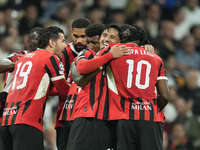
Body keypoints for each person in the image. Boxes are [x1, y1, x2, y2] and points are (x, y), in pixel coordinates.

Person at [74, 25, 169, 150]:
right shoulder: (156, 58)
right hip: (150, 117)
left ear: (123, 38)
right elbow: (165, 96)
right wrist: (153, 109)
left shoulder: (113, 50)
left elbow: (82, 69)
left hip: (123, 117)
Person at [0, 26, 69, 150]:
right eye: (63, 41)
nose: (65, 46)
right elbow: (64, 92)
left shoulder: (21, 59)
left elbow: (37, 88)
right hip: (27, 120)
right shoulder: (51, 58)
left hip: (6, 120)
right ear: (52, 42)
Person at [55, 17, 91, 150]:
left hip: (87, 115)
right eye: (75, 36)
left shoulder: (96, 53)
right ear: (70, 33)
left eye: (83, 36)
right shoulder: (62, 53)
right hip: (64, 114)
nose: (79, 40)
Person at [0, 27, 42, 118]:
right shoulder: (20, 55)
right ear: (29, 42)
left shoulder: (46, 60)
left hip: (29, 108)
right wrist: (17, 64)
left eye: (43, 39)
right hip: (8, 105)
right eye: (38, 39)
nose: (41, 42)